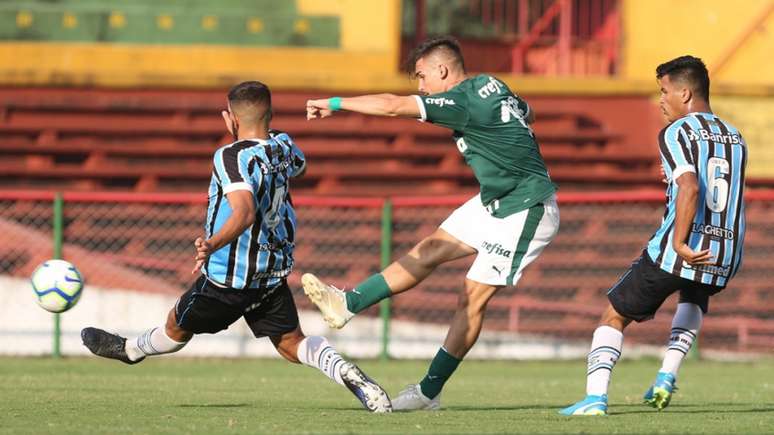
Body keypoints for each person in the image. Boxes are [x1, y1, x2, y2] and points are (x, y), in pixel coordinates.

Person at [80, 81, 392, 413]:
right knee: (291, 344)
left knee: (175, 327)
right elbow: (300, 166)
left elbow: (244, 212)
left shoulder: (230, 156)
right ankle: (346, 372)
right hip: (270, 273)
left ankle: (131, 350)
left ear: (231, 119)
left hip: (228, 278)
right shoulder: (284, 144)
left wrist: (212, 243)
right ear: (269, 115)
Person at [303, 36, 560, 411]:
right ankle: (347, 304)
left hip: (527, 207)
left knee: (471, 298)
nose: (421, 87)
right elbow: (528, 112)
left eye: (423, 77)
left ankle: (428, 392)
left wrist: (335, 103)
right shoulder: (492, 84)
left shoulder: (462, 100)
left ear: (443, 70)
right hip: (496, 199)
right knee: (429, 249)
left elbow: (392, 107)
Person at [560, 56, 747, 416]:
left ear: (685, 92)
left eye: (664, 92)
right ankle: (666, 376)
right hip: (723, 252)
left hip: (680, 248)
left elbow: (689, 187)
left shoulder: (677, 131)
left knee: (613, 315)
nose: (660, 100)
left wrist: (678, 242)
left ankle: (595, 399)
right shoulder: (735, 136)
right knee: (692, 299)